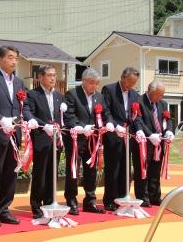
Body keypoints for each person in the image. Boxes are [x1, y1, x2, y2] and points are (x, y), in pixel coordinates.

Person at [0, 45, 37, 227]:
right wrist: (1, 119)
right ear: (0, 59)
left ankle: (3, 209)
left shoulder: (20, 82)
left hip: (14, 133)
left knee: (10, 173)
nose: (14, 61)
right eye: (11, 57)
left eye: (16, 58)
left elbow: (24, 105)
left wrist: (29, 119)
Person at [63, 67, 114, 215]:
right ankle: (71, 201)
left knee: (91, 171)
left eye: (97, 83)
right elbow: (69, 115)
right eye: (92, 83)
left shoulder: (99, 96)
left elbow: (106, 112)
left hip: (94, 140)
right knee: (73, 170)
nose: (95, 86)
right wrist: (81, 127)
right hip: (76, 139)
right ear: (84, 81)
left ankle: (90, 201)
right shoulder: (72, 94)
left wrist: (109, 122)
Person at [101, 67, 144, 211]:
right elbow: (106, 110)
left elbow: (136, 115)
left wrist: (138, 130)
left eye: (134, 83)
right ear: (122, 77)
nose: (130, 85)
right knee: (113, 168)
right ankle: (110, 200)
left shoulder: (134, 94)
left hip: (128, 136)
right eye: (129, 82)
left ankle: (123, 196)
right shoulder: (109, 89)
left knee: (126, 168)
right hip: (114, 134)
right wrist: (113, 125)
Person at [27, 65, 64, 219]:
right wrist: (44, 125)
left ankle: (50, 201)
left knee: (52, 172)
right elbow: (30, 113)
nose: (53, 78)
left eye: (54, 75)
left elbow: (62, 117)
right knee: (40, 173)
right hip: (41, 138)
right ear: (40, 77)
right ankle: (36, 205)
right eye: (49, 75)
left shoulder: (59, 96)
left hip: (56, 139)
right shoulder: (33, 94)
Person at [138, 81, 174, 206]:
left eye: (162, 94)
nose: (161, 97)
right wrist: (149, 134)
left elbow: (168, 119)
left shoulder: (163, 104)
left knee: (155, 170)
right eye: (159, 94)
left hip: (159, 143)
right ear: (151, 92)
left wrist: (169, 130)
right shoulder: (139, 101)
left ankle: (155, 196)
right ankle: (143, 197)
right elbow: (138, 121)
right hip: (145, 142)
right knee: (144, 170)